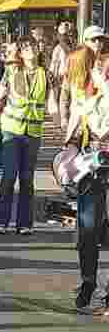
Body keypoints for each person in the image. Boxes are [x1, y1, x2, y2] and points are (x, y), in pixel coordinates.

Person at [61, 44, 109, 312]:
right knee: (87, 231)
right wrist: (69, 153)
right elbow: (76, 134)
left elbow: (101, 127)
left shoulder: (101, 91)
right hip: (90, 168)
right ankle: (88, 282)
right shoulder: (82, 94)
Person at [0, 33, 46, 235]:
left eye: (33, 46)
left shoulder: (46, 74)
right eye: (26, 48)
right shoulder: (11, 72)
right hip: (11, 130)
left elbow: (53, 105)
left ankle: (25, 223)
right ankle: (1, 220)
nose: (31, 50)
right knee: (9, 175)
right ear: (20, 53)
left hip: (33, 133)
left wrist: (65, 127)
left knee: (27, 179)